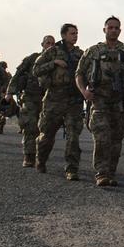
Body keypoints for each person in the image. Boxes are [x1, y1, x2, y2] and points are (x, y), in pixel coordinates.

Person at [76, 16, 124, 187]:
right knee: (102, 138)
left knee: (116, 140)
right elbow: (79, 73)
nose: (113, 30)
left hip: (119, 102)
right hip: (99, 100)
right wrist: (84, 91)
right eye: (110, 27)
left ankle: (111, 172)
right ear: (104, 29)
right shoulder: (93, 51)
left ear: (120, 30)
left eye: (116, 28)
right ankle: (101, 173)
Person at [33, 24, 85, 180]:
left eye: (76, 33)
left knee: (73, 137)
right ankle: (41, 160)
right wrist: (53, 63)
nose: (75, 36)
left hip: (73, 101)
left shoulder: (80, 54)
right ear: (63, 35)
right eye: (72, 33)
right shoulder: (52, 51)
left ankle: (71, 169)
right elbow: (36, 70)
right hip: (54, 100)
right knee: (46, 136)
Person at [6, 35, 54, 166]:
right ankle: (29, 156)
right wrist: (9, 92)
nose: (50, 45)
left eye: (52, 43)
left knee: (44, 129)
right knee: (30, 126)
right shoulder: (32, 59)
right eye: (47, 43)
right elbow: (18, 74)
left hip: (49, 99)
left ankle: (41, 156)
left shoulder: (57, 61)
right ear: (42, 44)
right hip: (30, 97)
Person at [0, 61, 12, 134]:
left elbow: (10, 85)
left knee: (3, 112)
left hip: (4, 95)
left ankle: (1, 128)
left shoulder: (7, 75)